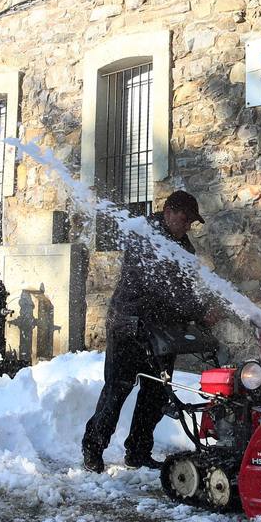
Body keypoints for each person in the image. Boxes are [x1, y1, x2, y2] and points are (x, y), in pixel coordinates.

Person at [82, 190, 209, 473]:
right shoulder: (146, 237)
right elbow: (161, 287)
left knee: (155, 393)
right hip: (129, 324)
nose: (189, 225)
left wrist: (203, 312)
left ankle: (138, 452)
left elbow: (185, 288)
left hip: (162, 329)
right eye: (187, 219)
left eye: (192, 222)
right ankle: (93, 449)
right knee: (118, 389)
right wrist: (199, 311)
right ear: (170, 212)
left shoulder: (184, 247)